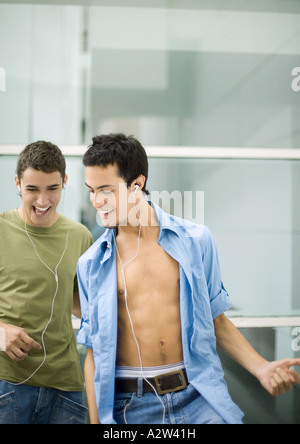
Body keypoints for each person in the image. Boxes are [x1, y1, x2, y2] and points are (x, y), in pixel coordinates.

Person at [77, 133, 300, 425]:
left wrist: (261, 368)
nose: (96, 201)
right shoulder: (91, 264)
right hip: (131, 407)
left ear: (137, 184)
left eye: (105, 190)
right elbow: (93, 351)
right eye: (91, 190)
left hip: (198, 398)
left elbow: (217, 319)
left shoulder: (196, 241)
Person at [0, 141, 94, 424]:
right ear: (17, 183)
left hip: (65, 387)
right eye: (32, 189)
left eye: (52, 189)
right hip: (7, 383)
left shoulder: (80, 236)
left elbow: (81, 304)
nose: (42, 201)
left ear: (64, 182)